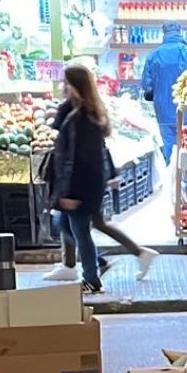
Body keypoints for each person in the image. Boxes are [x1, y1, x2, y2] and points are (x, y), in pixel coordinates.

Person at [44, 96, 158, 284]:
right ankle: (80, 264)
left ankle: (91, 271)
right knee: (73, 222)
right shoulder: (88, 108)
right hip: (90, 180)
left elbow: (85, 150)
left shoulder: (80, 112)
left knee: (79, 226)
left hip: (84, 182)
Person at [49, 65, 111, 294]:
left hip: (81, 187)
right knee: (64, 224)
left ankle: (91, 279)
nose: (63, 87)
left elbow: (77, 159)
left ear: (74, 86)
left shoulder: (81, 119)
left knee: (80, 231)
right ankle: (96, 261)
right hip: (88, 185)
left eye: (66, 83)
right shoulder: (88, 113)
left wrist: (70, 194)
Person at [141, 22, 187, 165]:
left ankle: (171, 183)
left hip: (163, 111)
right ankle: (186, 184)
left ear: (163, 33)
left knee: (168, 152)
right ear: (180, 31)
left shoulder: (153, 56)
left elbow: (147, 87)